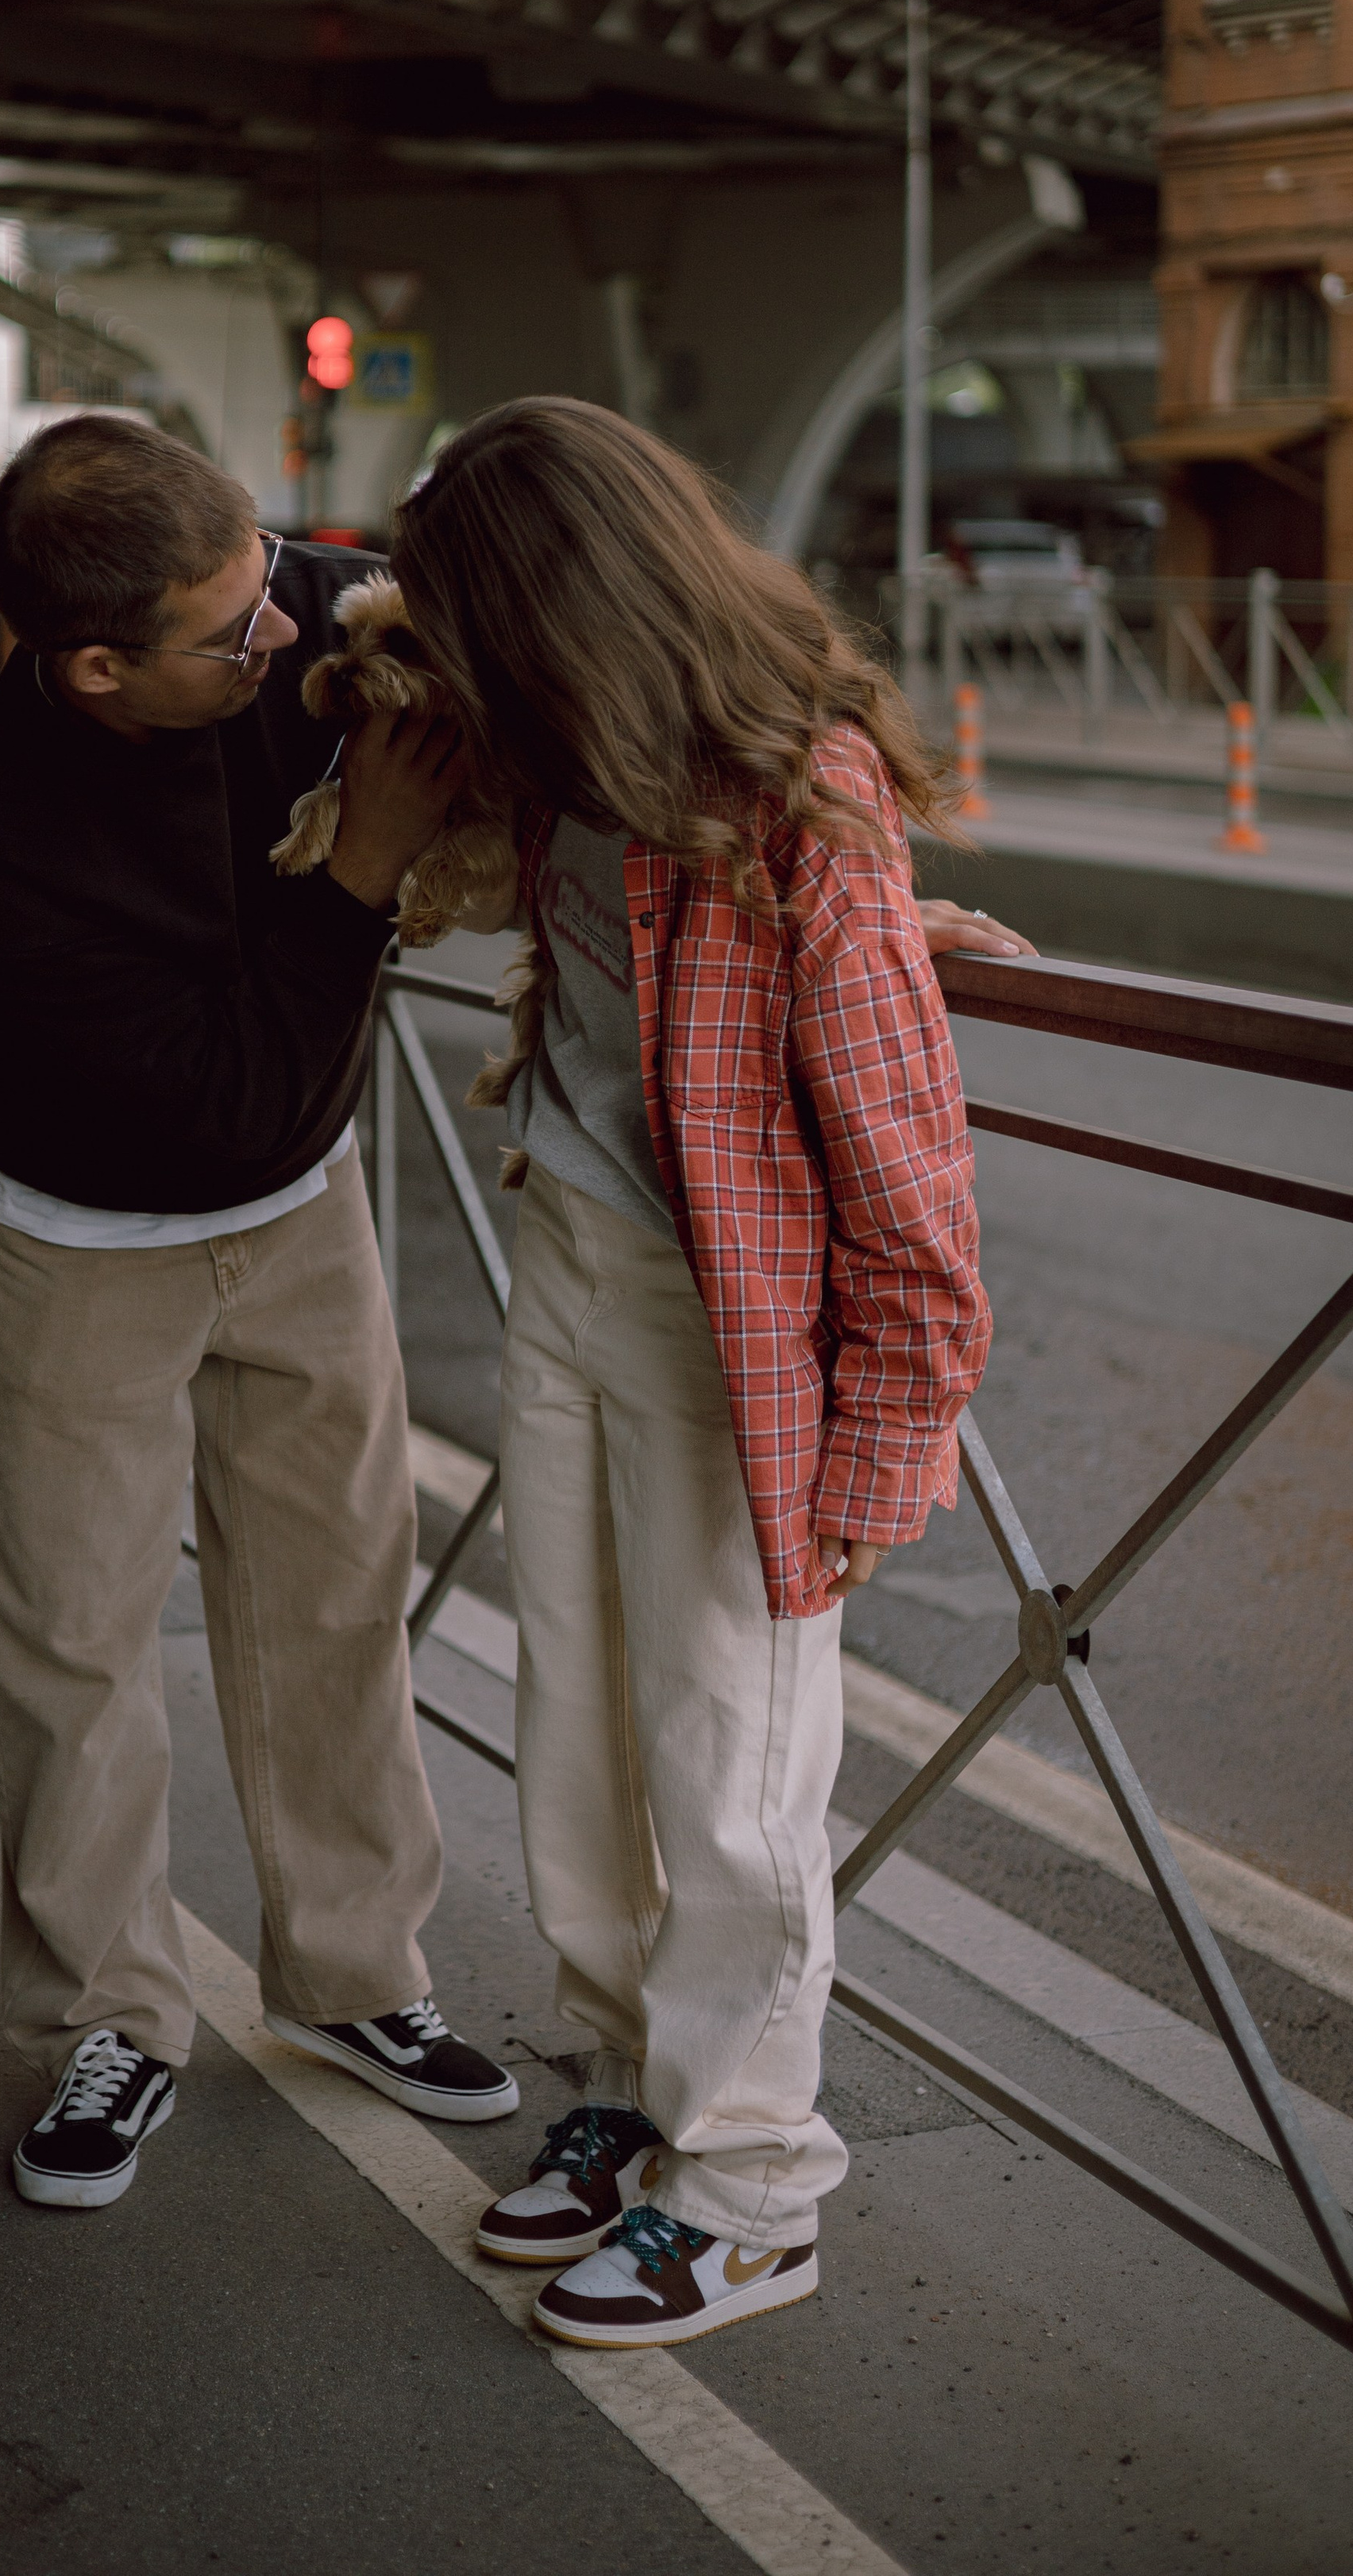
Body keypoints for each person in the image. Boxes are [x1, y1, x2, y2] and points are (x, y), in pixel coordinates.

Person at [389, 398, 994, 2348]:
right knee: (577, 1722)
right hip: (567, 1268)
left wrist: (874, 1455)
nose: (450, 672)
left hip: (728, 1333)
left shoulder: (788, 794)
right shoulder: (561, 750)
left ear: (566, 616)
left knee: (733, 1766)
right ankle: (624, 2090)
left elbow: (912, 1202)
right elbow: (340, 623)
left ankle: (748, 2179)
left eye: (475, 629)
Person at [0, 413, 518, 2212]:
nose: (288, 641)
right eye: (233, 633)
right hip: (80, 1237)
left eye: (276, 588)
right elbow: (215, 1099)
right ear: (94, 666)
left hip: (301, 1207)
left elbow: (537, 645)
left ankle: (353, 1974)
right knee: (75, 1639)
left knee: (334, 1591)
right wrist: (357, 875)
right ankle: (108, 2014)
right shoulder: (2, 827)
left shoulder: (294, 614)